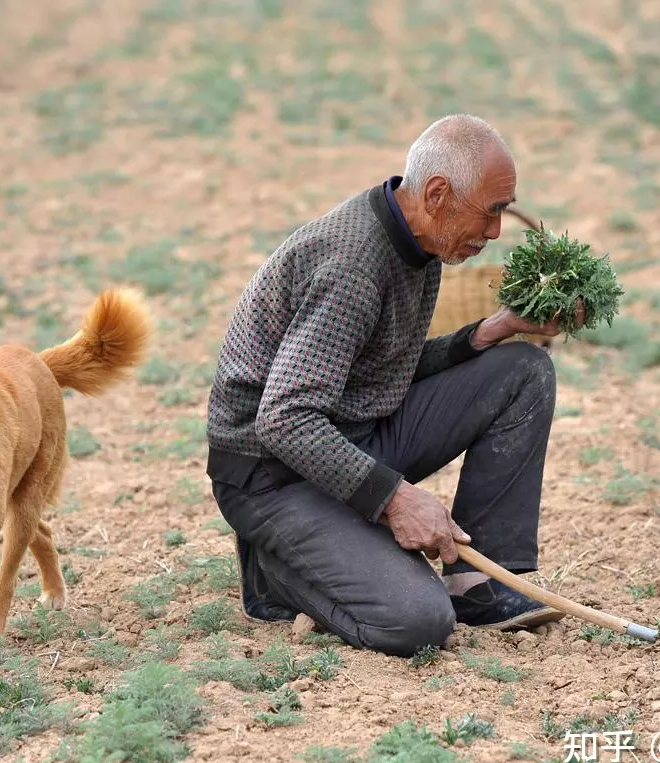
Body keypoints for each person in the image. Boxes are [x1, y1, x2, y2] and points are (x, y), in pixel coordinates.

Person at [205, 114, 583, 657]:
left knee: (522, 371)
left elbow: (380, 370)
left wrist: (487, 333)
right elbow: (284, 419)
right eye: (492, 210)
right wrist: (394, 499)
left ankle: (481, 586)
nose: (497, 230)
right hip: (273, 477)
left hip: (350, 436)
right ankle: (275, 571)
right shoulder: (353, 264)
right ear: (436, 194)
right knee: (417, 622)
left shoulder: (419, 243)